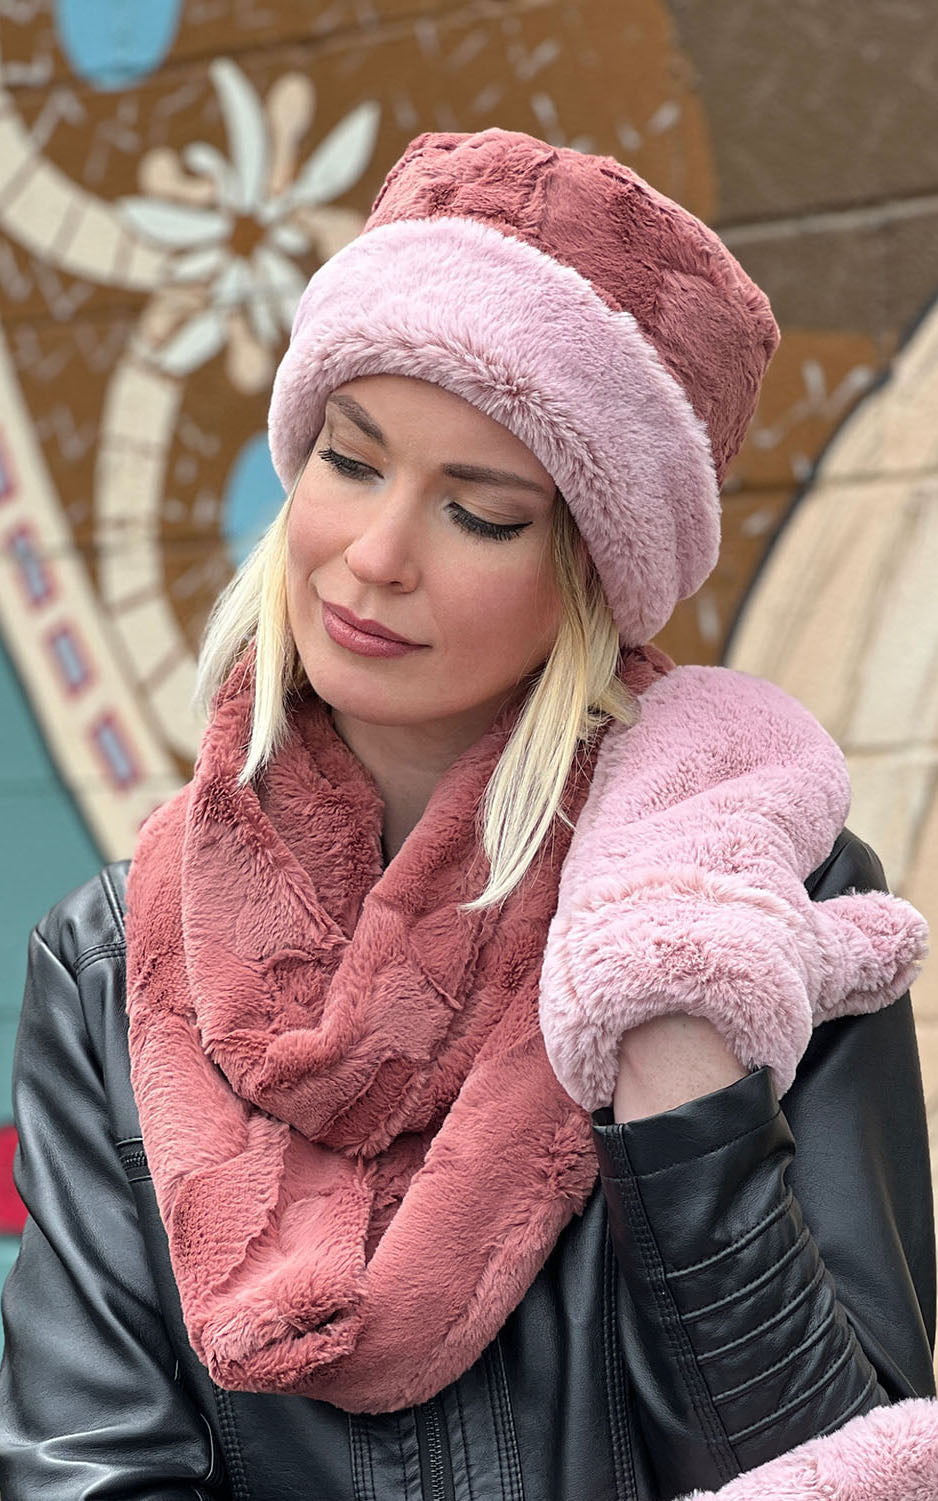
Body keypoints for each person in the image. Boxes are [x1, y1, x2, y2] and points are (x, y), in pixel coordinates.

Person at [0, 127, 935, 1501]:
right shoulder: (109, 961)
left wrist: (678, 1051)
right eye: (349, 459)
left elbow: (844, 1462)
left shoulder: (770, 900)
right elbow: (89, 1468)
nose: (376, 556)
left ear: (591, 574)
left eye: (481, 514)